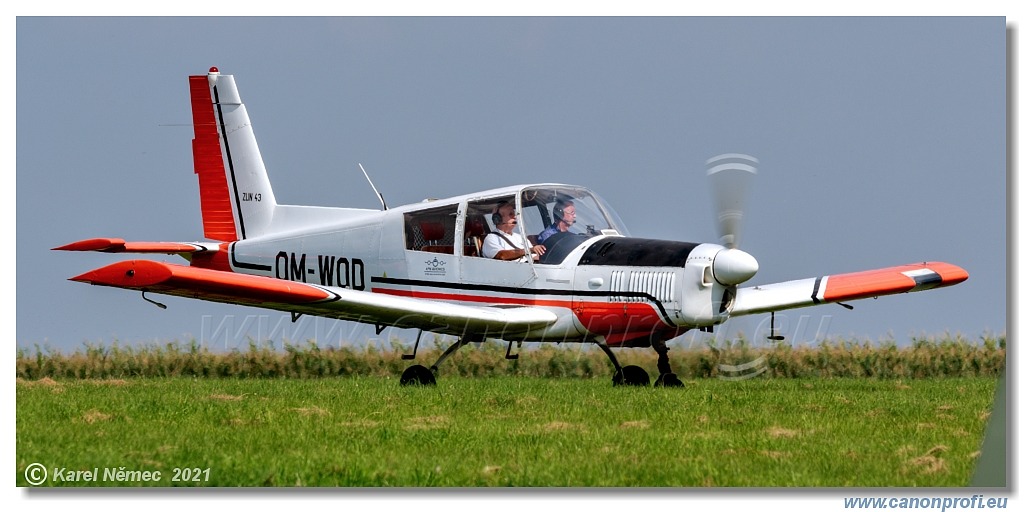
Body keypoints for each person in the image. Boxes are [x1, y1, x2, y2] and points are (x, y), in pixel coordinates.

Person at [482, 201, 546, 261]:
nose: (515, 217)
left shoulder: (520, 237)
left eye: (514, 213)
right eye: (511, 214)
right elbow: (501, 256)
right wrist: (528, 250)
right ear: (498, 219)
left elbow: (533, 256)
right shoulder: (491, 238)